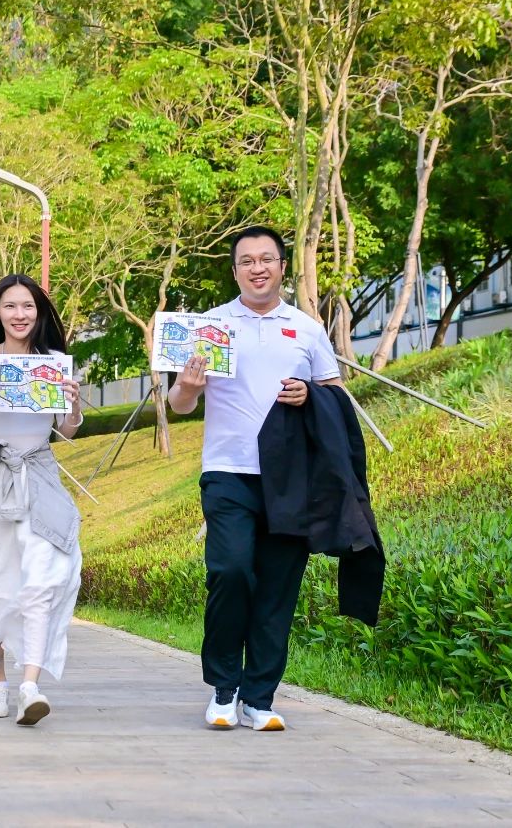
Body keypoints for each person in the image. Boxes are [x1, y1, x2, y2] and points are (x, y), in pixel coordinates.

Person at [167, 225, 344, 732]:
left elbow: (334, 395)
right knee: (230, 570)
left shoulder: (306, 328)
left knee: (277, 587)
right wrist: (186, 386)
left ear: (282, 266)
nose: (257, 268)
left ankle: (259, 696)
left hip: (292, 478)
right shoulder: (210, 327)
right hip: (227, 471)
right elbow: (180, 406)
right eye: (247, 261)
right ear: (235, 270)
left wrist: (310, 396)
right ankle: (224, 689)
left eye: (266, 259)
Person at [0, 274, 84, 726]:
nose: (20, 315)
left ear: (39, 312)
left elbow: (65, 431)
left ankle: (30, 686)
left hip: (39, 477)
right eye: (11, 307)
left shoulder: (55, 362)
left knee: (45, 577)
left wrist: (74, 404)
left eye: (28, 307)